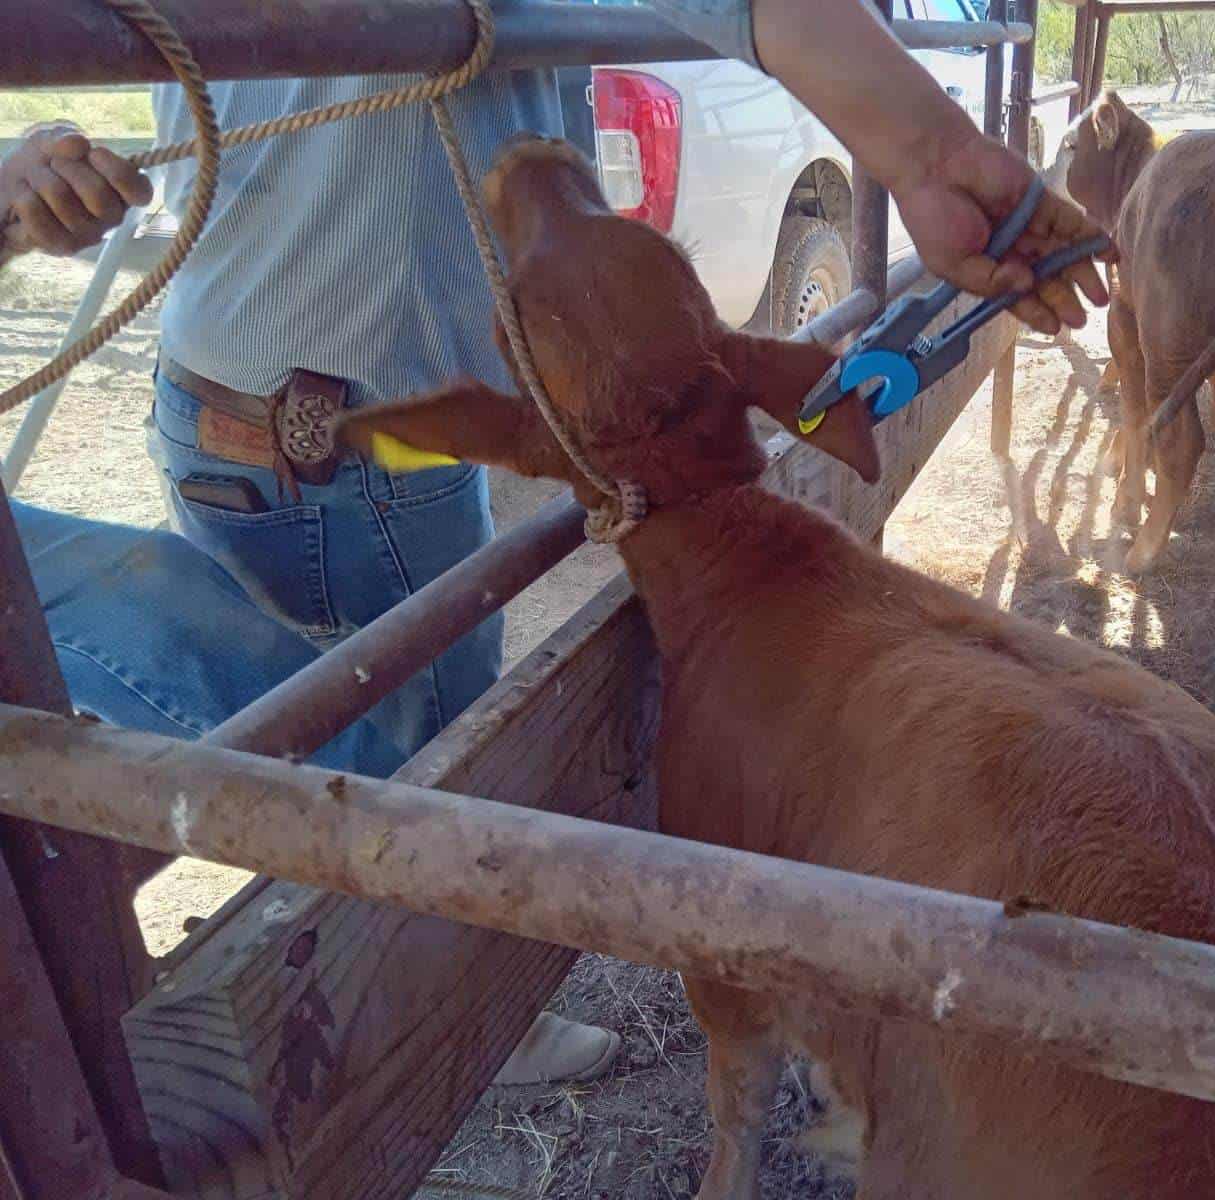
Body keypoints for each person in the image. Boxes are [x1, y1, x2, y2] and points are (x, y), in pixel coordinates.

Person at [0, 0, 1108, 1088]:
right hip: (327, 427)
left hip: (292, 405)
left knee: (394, 744)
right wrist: (31, 157)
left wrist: (930, 147)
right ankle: (458, 979)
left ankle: (442, 965)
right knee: (403, 777)